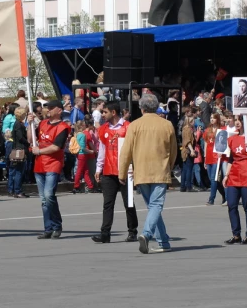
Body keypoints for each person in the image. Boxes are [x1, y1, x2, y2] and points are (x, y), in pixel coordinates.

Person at [119, 94, 178, 254]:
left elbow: (126, 152)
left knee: (153, 206)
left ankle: (163, 241)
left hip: (141, 171)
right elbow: (173, 151)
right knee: (156, 206)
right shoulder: (167, 125)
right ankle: (146, 234)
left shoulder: (134, 125)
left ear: (142, 108)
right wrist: (169, 167)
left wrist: (122, 172)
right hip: (160, 170)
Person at [92, 101, 138, 244]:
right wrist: (98, 168)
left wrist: (134, 169)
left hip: (126, 170)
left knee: (129, 202)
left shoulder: (128, 127)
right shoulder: (104, 129)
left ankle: (132, 231)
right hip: (108, 171)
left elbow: (134, 150)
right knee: (108, 204)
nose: (102, 114)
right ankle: (105, 233)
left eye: (105, 112)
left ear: (113, 112)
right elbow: (102, 150)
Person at [27, 100, 70, 239]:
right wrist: (29, 124)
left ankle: (57, 225)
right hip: (39, 164)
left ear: (59, 110)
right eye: (48, 108)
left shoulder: (63, 127)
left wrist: (39, 151)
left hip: (53, 163)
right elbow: (30, 139)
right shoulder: (43, 123)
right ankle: (48, 228)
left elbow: (56, 147)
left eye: (51, 108)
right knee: (44, 200)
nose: (48, 110)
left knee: (49, 195)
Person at [222, 114, 247, 245]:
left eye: (240, 120)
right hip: (234, 173)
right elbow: (231, 158)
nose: (238, 123)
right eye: (236, 120)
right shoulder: (232, 138)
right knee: (232, 204)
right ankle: (236, 234)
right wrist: (226, 175)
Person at [204, 114, 226, 205]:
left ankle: (211, 199)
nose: (212, 119)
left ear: (217, 119)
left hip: (217, 157)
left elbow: (224, 142)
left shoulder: (222, 130)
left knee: (214, 178)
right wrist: (205, 157)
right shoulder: (207, 130)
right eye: (211, 118)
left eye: (213, 118)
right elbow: (205, 144)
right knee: (213, 179)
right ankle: (224, 194)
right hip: (209, 156)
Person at [8, 107, 29, 198]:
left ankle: (12, 189)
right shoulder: (19, 125)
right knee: (19, 171)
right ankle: (17, 190)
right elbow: (20, 137)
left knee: (14, 171)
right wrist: (28, 143)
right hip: (20, 149)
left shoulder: (16, 124)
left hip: (16, 148)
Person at [72, 120, 97, 194]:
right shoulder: (82, 135)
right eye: (84, 125)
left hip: (80, 154)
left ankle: (90, 186)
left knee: (85, 171)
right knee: (80, 171)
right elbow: (82, 147)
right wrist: (90, 151)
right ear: (81, 126)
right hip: (82, 154)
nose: (85, 126)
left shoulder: (77, 134)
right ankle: (76, 186)